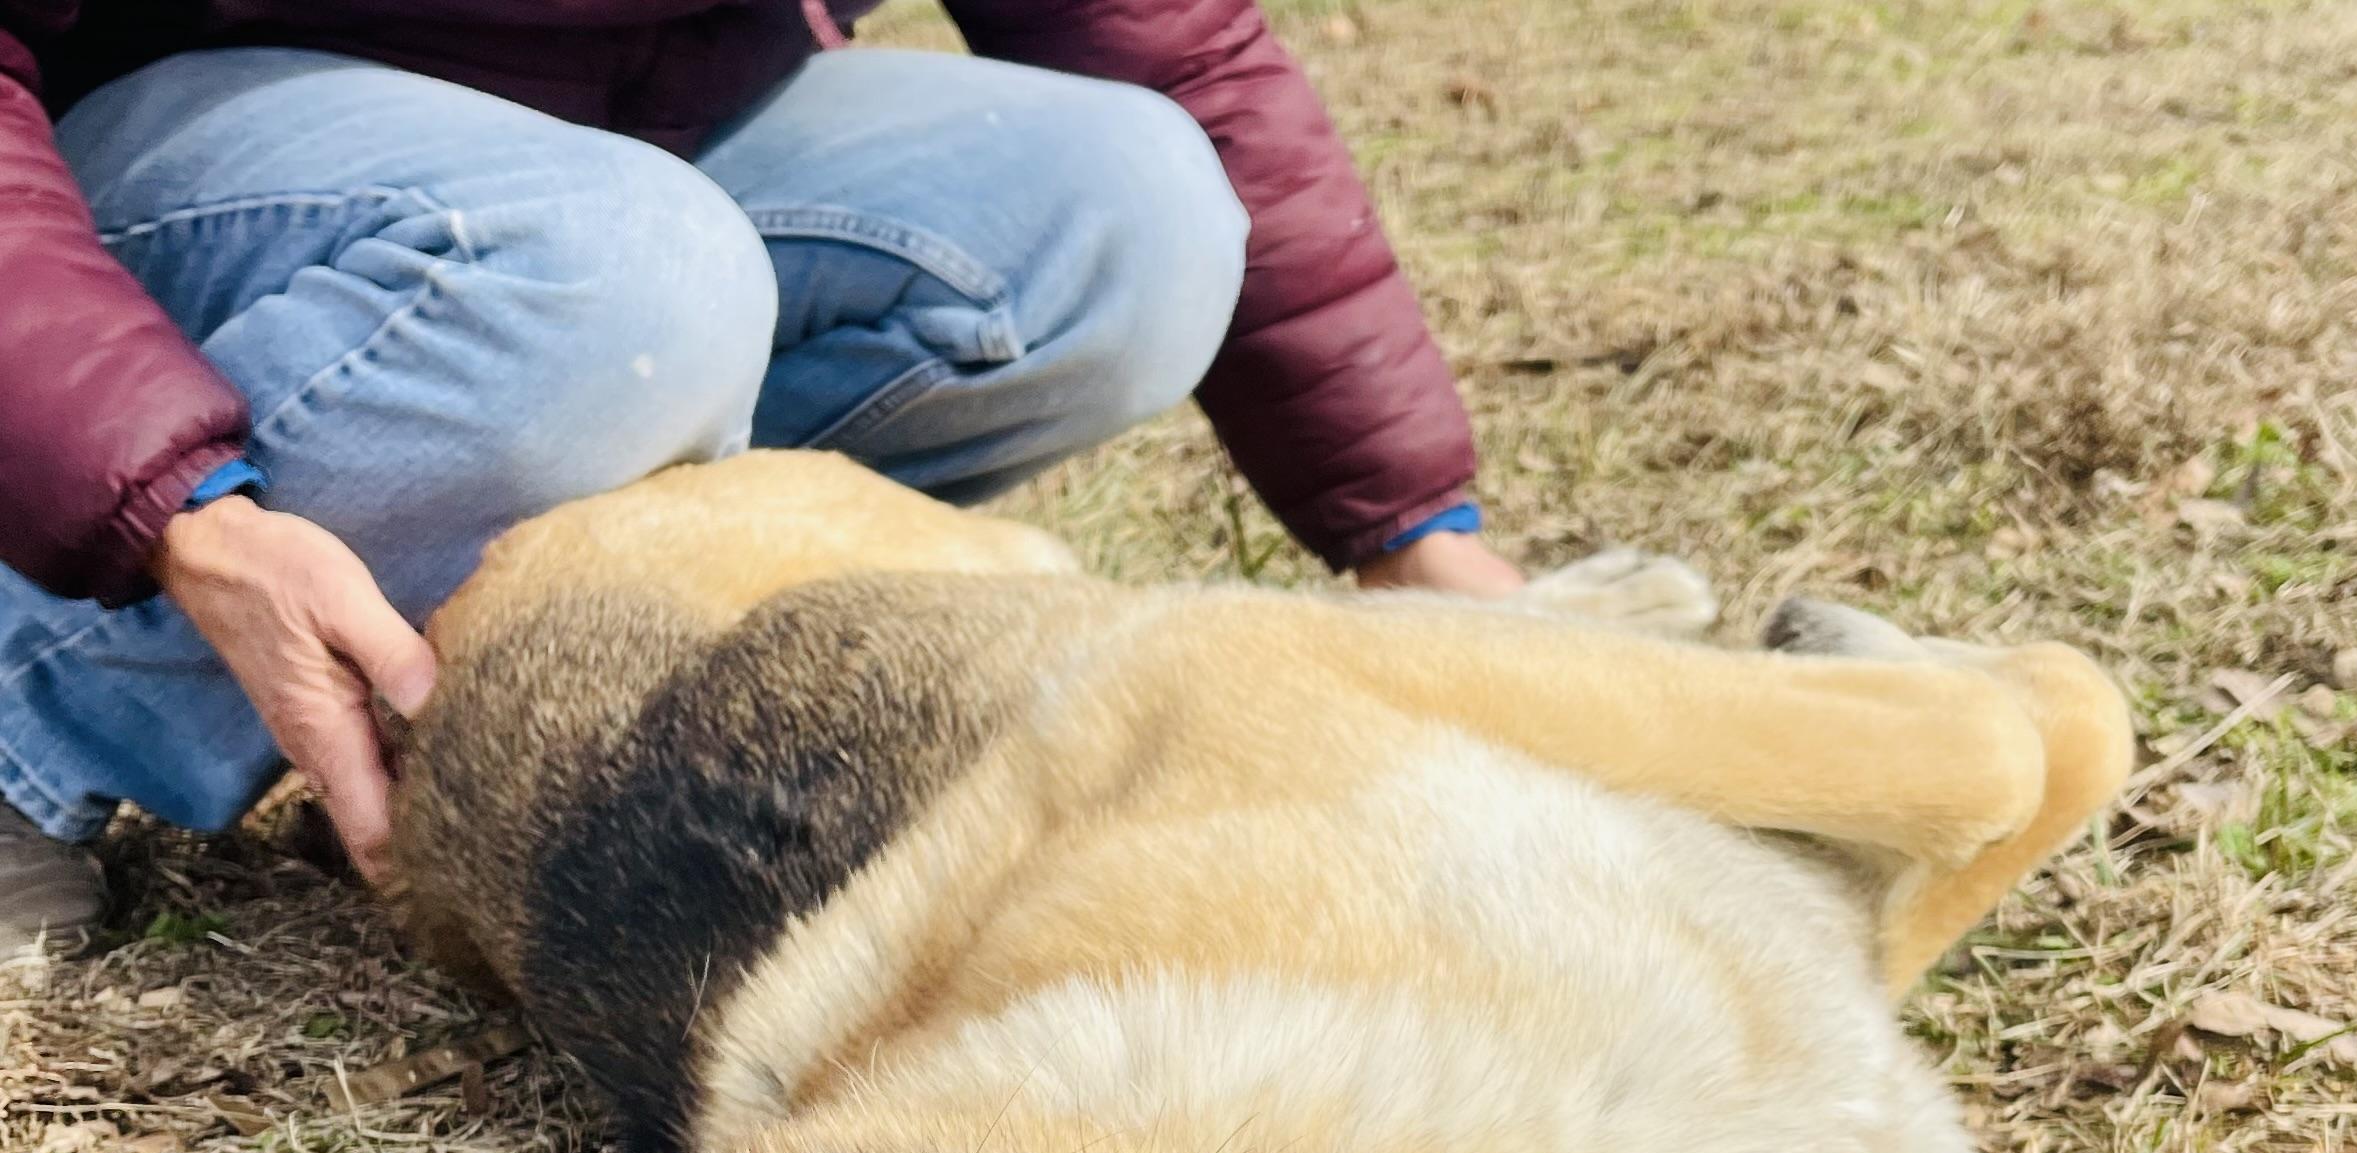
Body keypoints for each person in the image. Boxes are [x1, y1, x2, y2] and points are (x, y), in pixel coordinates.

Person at [0, 0, 1530, 959]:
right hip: (183, 159)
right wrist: (174, 508)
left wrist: (1405, 526)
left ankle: (505, 682)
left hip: (637, 129)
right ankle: (25, 723)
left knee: (1124, 213)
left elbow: (1175, 49)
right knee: (622, 287)